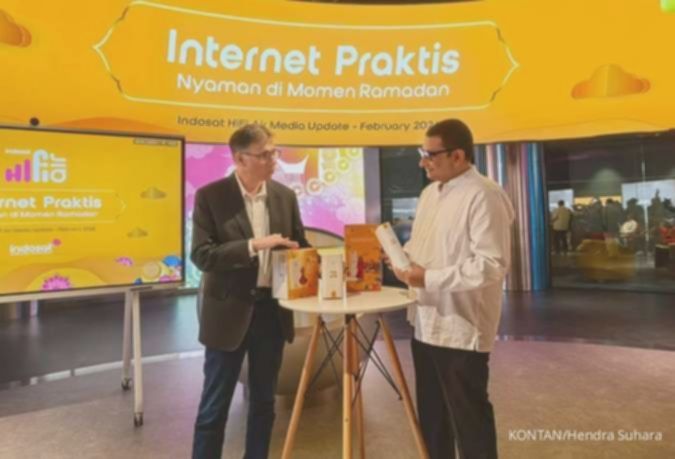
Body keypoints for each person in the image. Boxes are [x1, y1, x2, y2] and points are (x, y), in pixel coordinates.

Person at [391, 119, 514, 459]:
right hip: (424, 320)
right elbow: (424, 246)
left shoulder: (484, 194)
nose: (423, 162)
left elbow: (491, 264)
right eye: (422, 154)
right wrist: (401, 259)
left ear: (458, 156)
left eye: (430, 155)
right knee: (433, 418)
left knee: (469, 419)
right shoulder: (429, 194)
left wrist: (427, 278)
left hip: (461, 327)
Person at [191, 123, 309, 459]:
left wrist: (323, 264)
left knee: (263, 403)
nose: (274, 160)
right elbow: (202, 255)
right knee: (214, 405)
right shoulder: (211, 197)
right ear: (240, 159)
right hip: (228, 314)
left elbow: (300, 244)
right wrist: (253, 245)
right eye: (265, 154)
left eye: (275, 152)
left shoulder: (284, 196)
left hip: (271, 313)